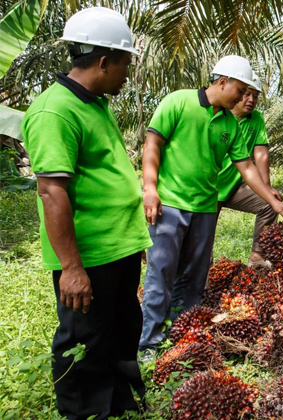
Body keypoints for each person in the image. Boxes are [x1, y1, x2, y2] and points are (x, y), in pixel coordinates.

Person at [22, 7, 152, 419]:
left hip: (118, 248)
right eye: (126, 64)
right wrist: (72, 268)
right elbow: (52, 193)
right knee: (84, 342)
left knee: (120, 332)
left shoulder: (94, 103)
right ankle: (85, 412)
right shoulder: (54, 111)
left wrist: (133, 242)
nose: (127, 74)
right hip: (89, 256)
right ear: (103, 61)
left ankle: (119, 404)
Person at [139, 55, 283, 356]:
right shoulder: (178, 102)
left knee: (194, 277)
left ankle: (182, 332)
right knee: (162, 273)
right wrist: (149, 188)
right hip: (170, 204)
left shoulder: (229, 124)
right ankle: (149, 342)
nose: (243, 97)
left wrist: (271, 201)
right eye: (240, 90)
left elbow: (246, 167)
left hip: (206, 208)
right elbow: (152, 144)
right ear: (223, 81)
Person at [216, 76, 283, 266]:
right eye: (247, 94)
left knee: (270, 203)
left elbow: (261, 154)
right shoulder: (220, 115)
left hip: (235, 187)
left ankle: (257, 257)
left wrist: (267, 188)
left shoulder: (256, 119)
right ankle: (202, 281)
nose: (251, 100)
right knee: (202, 243)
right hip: (210, 189)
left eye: (256, 96)